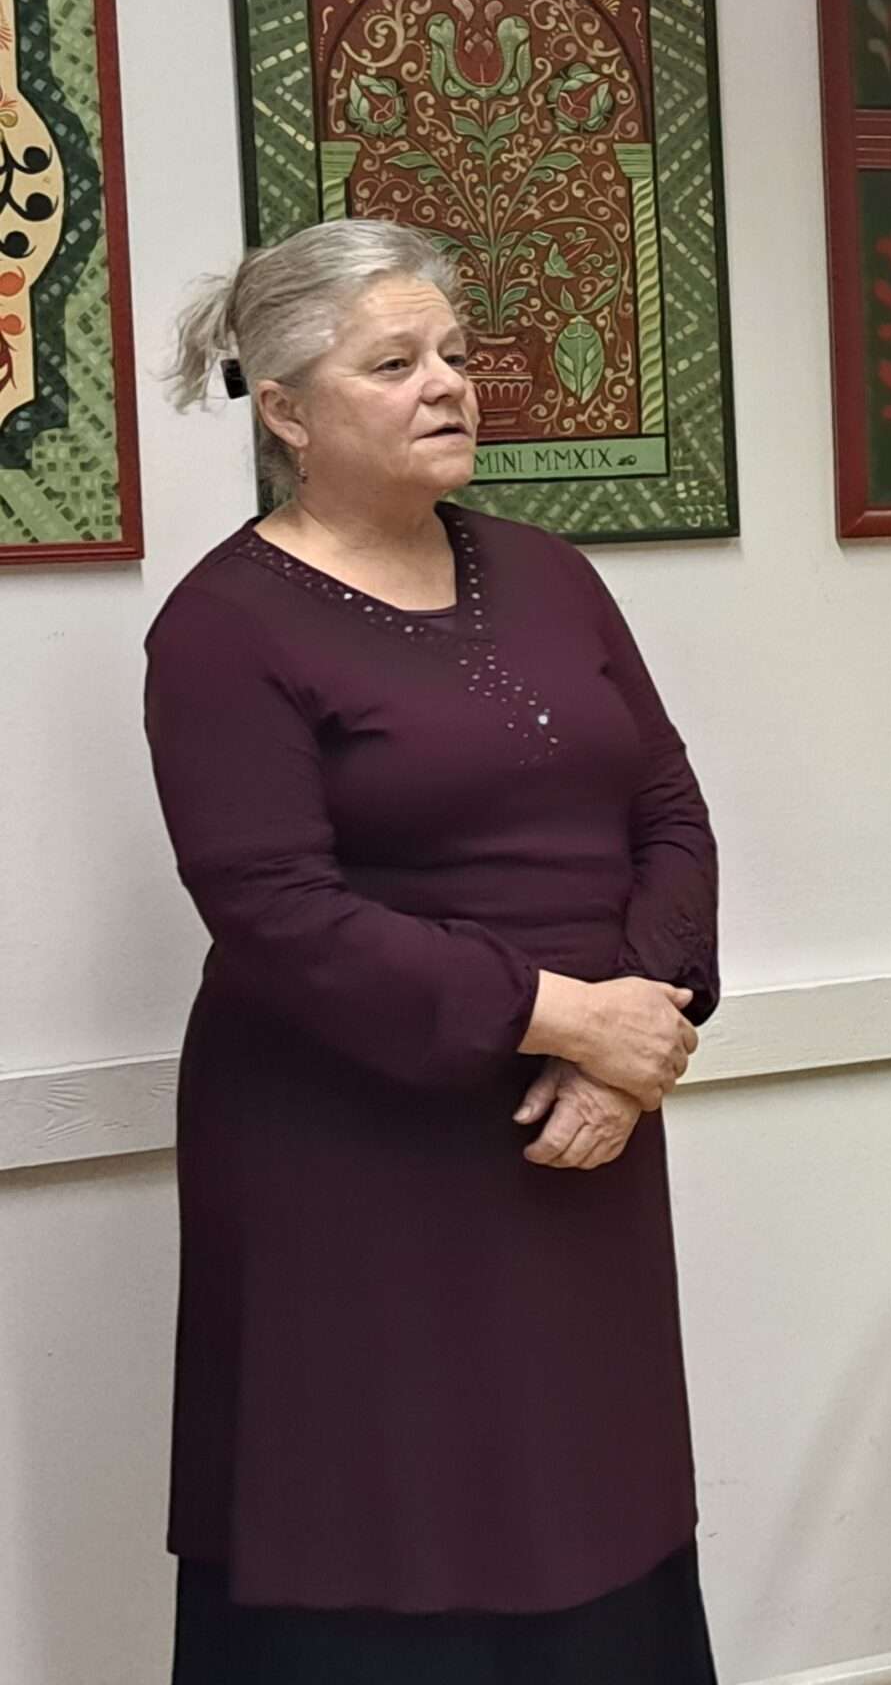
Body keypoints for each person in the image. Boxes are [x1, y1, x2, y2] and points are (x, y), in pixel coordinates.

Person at [147, 219, 720, 1683]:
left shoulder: (550, 572)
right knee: (373, 1518)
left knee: (589, 1501)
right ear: (287, 411)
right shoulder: (221, 627)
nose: (450, 384)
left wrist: (636, 1039)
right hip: (353, 1152)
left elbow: (665, 805)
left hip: (581, 1129)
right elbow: (275, 909)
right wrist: (562, 1018)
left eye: (455, 354)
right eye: (394, 363)